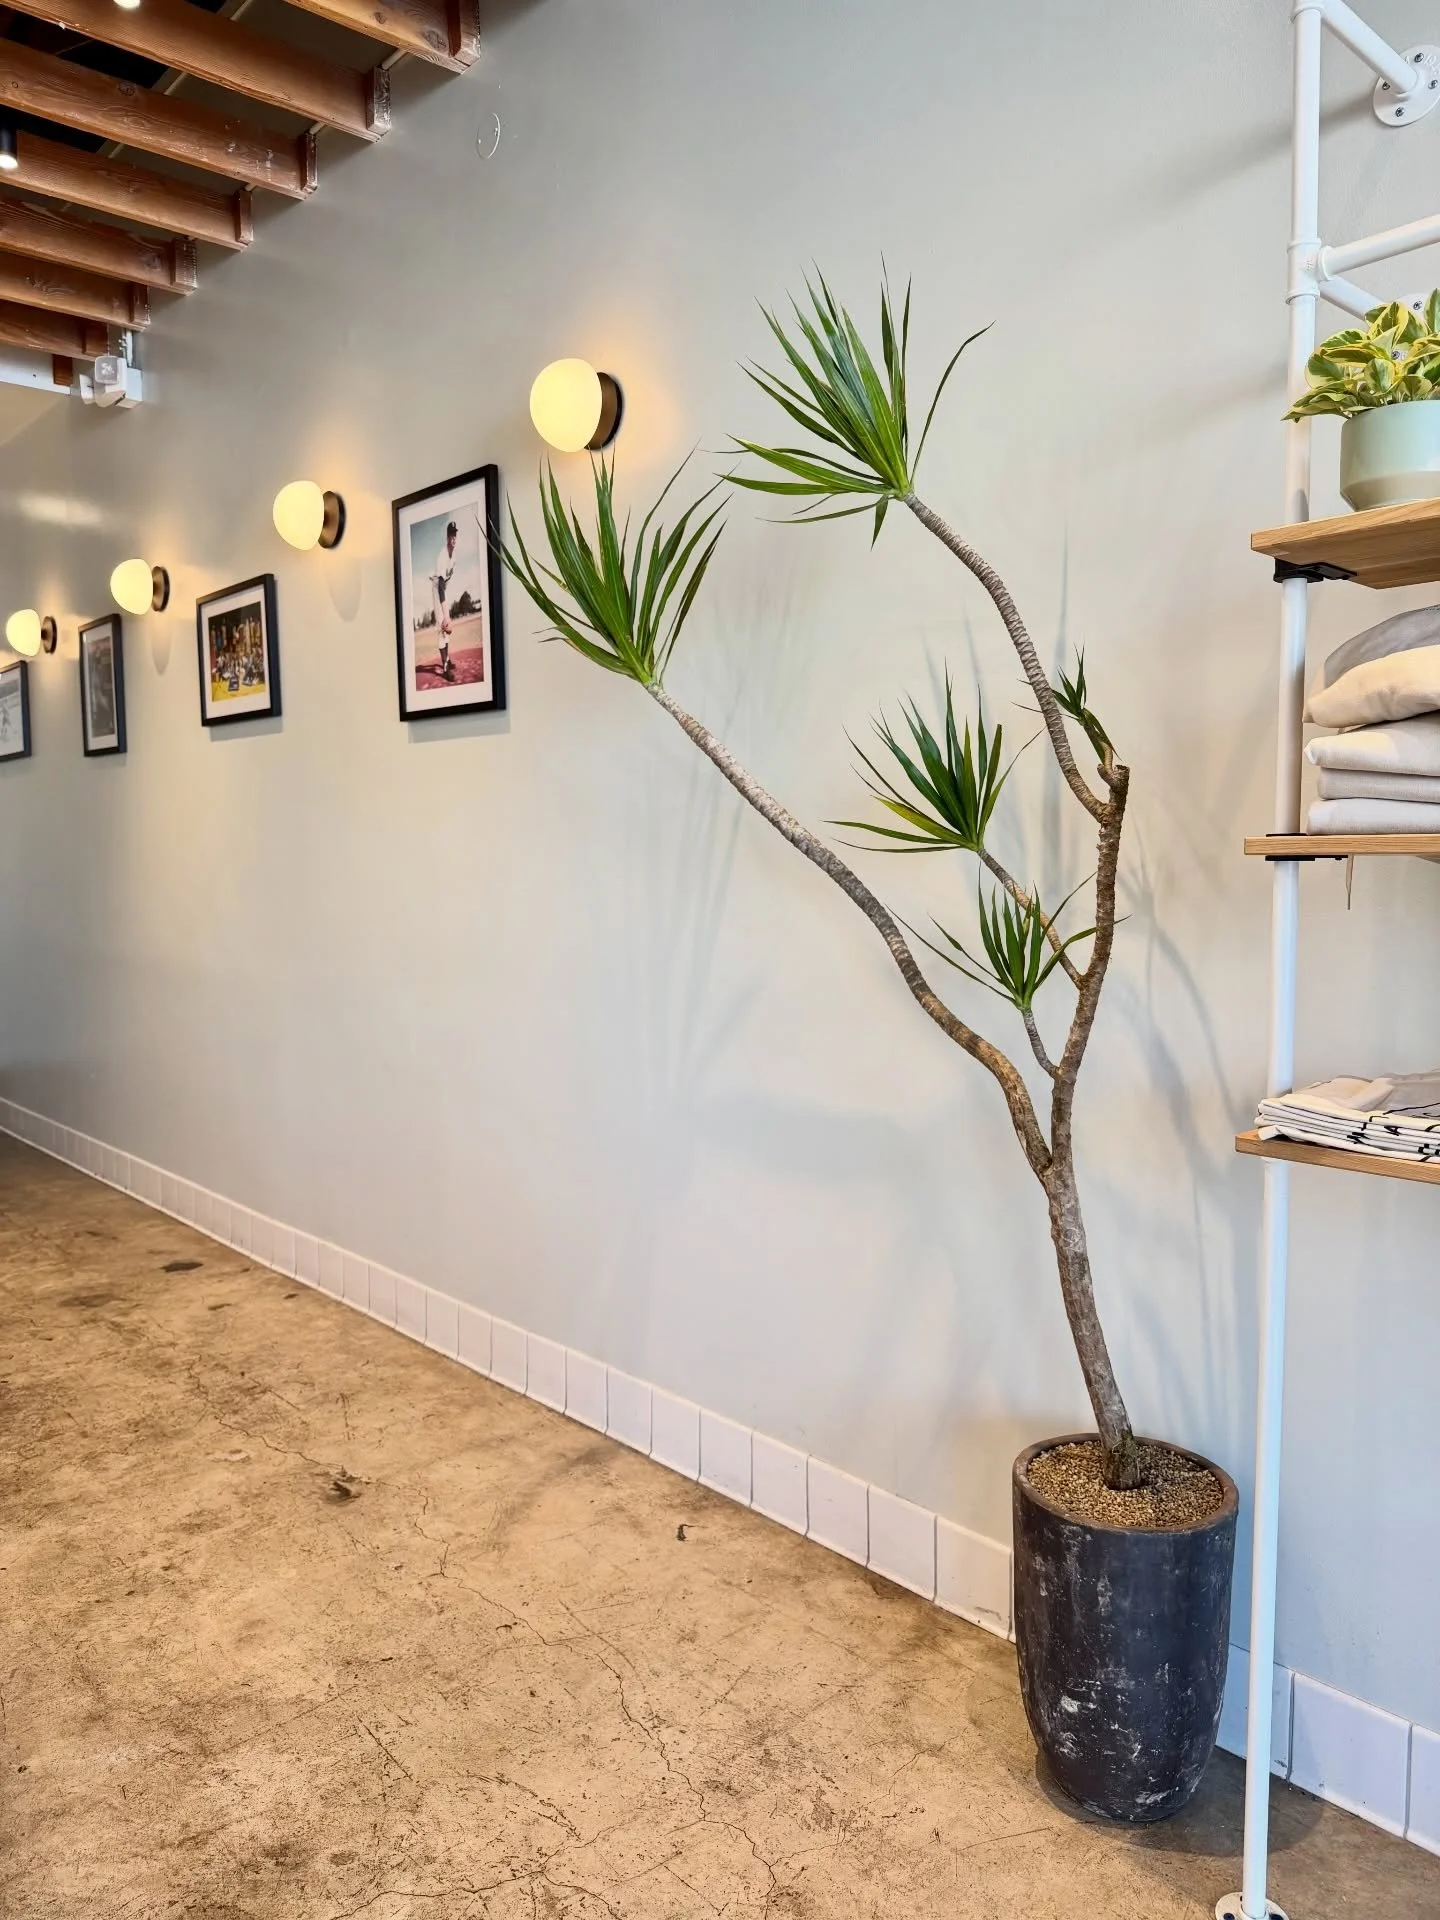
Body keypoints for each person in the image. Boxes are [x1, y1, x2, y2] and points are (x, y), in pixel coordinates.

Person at [430, 521, 458, 681]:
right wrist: (445, 615)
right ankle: (445, 668)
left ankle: (447, 659)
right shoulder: (442, 556)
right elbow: (440, 586)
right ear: (447, 537)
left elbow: (446, 583)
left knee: (447, 629)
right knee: (443, 626)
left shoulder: (454, 555)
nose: (453, 538)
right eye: (451, 535)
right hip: (437, 590)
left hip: (444, 589)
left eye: (455, 535)